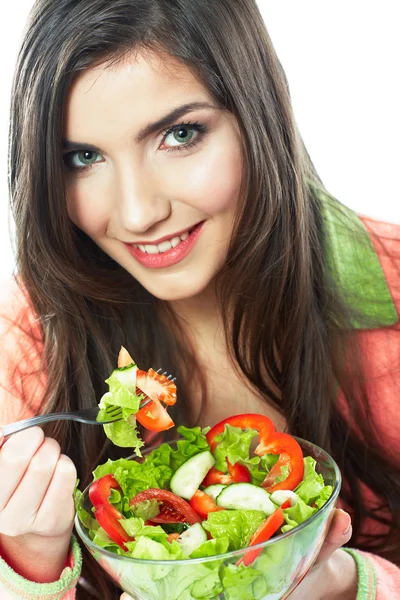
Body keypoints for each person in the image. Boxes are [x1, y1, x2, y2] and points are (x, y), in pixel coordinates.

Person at [0, 0, 398, 598]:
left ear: (256, 116)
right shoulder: (27, 339)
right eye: (83, 157)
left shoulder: (389, 293)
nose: (138, 213)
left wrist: (352, 584)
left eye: (180, 135)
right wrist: (30, 564)